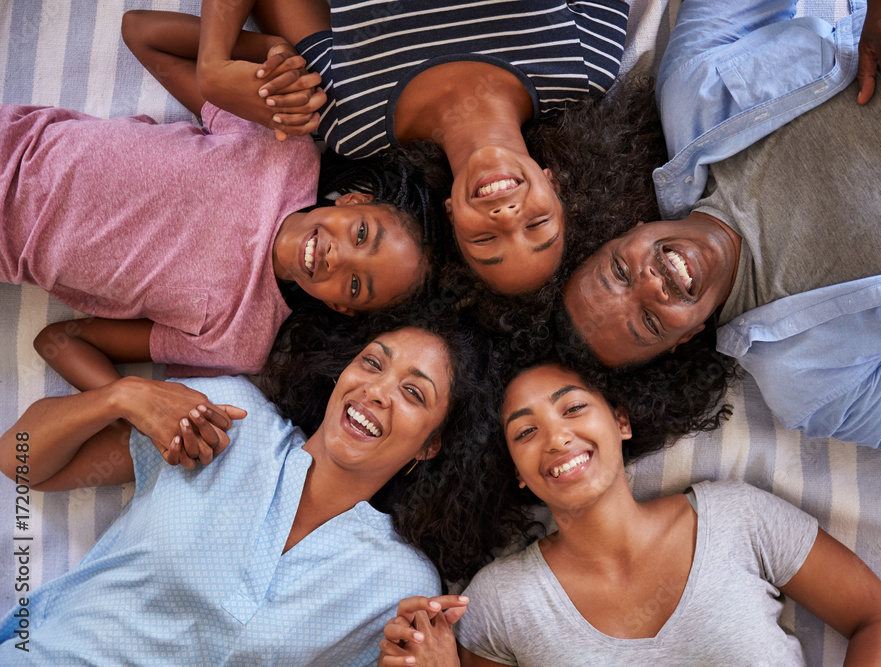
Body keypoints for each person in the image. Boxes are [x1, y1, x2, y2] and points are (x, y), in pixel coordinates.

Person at [560, 0, 881, 478]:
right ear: (681, 341)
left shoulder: (692, 94)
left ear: (625, 230)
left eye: (620, 271)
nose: (651, 284)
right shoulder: (805, 380)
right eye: (647, 321)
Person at [0, 322, 495, 664]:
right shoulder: (232, 419)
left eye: (413, 393)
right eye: (371, 363)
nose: (377, 391)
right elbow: (20, 462)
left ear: (431, 445)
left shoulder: (398, 585)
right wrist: (123, 396)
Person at [375, 363, 881, 666]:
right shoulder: (500, 601)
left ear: (621, 422)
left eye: (573, 407)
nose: (557, 436)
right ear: (517, 471)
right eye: (525, 431)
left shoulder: (736, 519)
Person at [121, 0, 629, 294]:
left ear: (453, 215)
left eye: (487, 241)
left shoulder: (351, 121)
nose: (506, 215)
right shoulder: (584, 66)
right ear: (555, 184)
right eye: (536, 224)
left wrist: (214, 70)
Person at [2, 96, 432, 382]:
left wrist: (132, 399)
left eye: (356, 285)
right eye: (361, 234)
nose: (340, 257)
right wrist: (248, 65)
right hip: (17, 142)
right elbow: (144, 34)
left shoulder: (242, 339)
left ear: (342, 307)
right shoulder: (284, 147)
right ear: (354, 200)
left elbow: (63, 341)